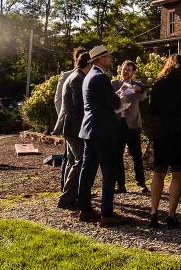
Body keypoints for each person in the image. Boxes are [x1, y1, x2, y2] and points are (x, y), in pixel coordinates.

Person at [148, 54, 181, 228]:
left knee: (159, 173)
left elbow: (152, 110)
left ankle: (154, 212)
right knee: (177, 175)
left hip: (162, 131)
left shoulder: (158, 85)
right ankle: (171, 215)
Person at [77, 45, 127, 227]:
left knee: (88, 170)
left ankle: (84, 209)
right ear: (101, 59)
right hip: (103, 130)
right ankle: (107, 213)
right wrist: (120, 98)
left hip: (89, 129)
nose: (110, 59)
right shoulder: (101, 77)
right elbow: (113, 103)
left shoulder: (88, 76)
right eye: (108, 57)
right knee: (109, 171)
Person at [57, 50, 91, 210]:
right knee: (80, 161)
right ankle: (67, 198)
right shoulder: (78, 79)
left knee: (72, 162)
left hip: (70, 127)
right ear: (88, 64)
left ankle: (68, 196)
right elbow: (80, 105)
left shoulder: (75, 76)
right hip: (75, 128)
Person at [113, 60, 148, 194]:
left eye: (129, 69)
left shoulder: (137, 85)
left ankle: (141, 183)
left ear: (133, 72)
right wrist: (120, 91)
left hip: (132, 124)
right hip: (117, 124)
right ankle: (120, 185)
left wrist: (133, 88)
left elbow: (143, 96)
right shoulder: (114, 84)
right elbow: (109, 99)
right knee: (117, 156)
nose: (126, 71)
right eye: (124, 69)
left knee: (137, 156)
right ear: (120, 70)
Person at [53, 47, 86, 190]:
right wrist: (64, 120)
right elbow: (58, 100)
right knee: (70, 158)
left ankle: (75, 189)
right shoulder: (68, 75)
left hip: (79, 124)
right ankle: (66, 189)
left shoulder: (86, 76)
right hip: (70, 123)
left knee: (74, 159)